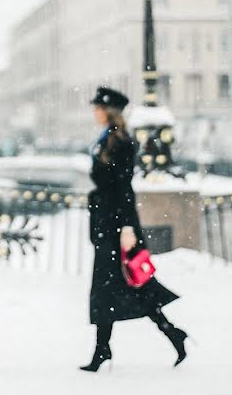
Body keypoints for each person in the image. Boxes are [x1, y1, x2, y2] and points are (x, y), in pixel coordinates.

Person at [80, 86, 188, 372]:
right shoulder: (106, 139)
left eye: (97, 108)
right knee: (117, 286)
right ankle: (107, 348)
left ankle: (165, 333)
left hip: (117, 224)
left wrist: (127, 226)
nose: (94, 112)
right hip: (107, 222)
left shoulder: (122, 142)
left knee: (128, 284)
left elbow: (124, 188)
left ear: (108, 111)